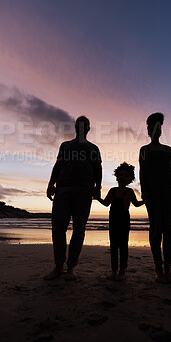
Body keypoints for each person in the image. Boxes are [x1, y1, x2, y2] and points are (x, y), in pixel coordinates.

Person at [44, 116, 102, 281]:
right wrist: (50, 184)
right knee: (58, 227)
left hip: (84, 190)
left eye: (85, 125)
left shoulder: (93, 148)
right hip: (63, 189)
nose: (82, 127)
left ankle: (71, 267)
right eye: (79, 124)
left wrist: (98, 187)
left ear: (89, 129)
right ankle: (58, 265)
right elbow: (58, 165)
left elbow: (98, 168)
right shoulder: (66, 146)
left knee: (79, 229)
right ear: (75, 127)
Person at [139, 112, 171, 284]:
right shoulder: (144, 150)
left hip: (169, 192)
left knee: (168, 231)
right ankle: (158, 268)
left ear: (161, 131)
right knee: (156, 230)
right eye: (152, 127)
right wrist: (144, 191)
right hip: (153, 194)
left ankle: (167, 269)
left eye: (159, 127)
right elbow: (142, 171)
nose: (156, 130)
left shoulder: (167, 150)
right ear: (148, 131)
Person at [97, 162, 144, 281]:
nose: (123, 177)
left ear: (130, 179)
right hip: (113, 220)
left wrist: (146, 201)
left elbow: (136, 204)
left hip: (124, 220)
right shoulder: (112, 190)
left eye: (126, 176)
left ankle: (122, 271)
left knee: (123, 245)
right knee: (113, 246)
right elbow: (106, 203)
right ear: (117, 176)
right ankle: (114, 271)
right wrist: (97, 198)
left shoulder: (129, 192)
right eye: (121, 175)